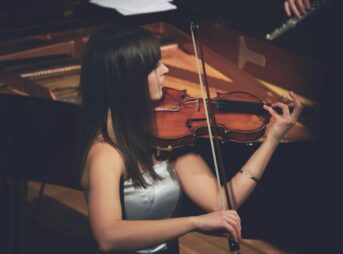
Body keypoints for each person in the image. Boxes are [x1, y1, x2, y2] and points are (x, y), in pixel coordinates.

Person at [77, 26, 303, 254]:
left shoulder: (166, 136)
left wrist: (272, 139)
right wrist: (194, 222)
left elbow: (221, 201)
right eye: (154, 66)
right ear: (128, 80)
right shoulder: (106, 154)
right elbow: (108, 237)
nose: (165, 69)